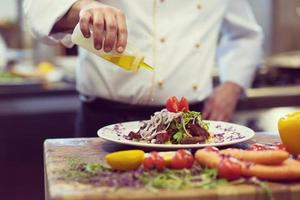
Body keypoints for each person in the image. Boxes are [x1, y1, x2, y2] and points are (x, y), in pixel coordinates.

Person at [24, 0, 263, 137]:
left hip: (189, 128)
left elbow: (245, 35)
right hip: (104, 121)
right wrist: (82, 7)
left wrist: (232, 84)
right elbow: (38, 8)